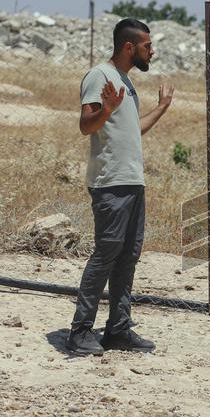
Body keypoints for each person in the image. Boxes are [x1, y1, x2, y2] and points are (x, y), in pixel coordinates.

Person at [66, 18, 175, 356]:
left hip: (132, 182)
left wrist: (160, 108)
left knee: (128, 257)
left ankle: (117, 330)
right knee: (105, 255)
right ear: (129, 47)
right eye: (148, 46)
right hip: (110, 183)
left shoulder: (125, 82)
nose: (152, 51)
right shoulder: (100, 76)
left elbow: (131, 129)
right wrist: (107, 108)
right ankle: (80, 330)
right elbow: (87, 125)